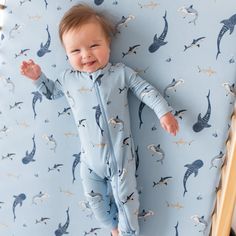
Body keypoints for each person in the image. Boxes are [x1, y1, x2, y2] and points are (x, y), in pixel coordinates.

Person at [20, 4, 179, 236]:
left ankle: (127, 233)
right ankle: (113, 228)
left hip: (120, 157)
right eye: (75, 51)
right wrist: (38, 78)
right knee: (95, 201)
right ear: (66, 54)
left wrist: (163, 111)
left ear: (108, 44)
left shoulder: (120, 73)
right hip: (89, 161)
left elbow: (145, 90)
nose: (86, 55)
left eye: (94, 45)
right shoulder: (68, 79)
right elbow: (52, 93)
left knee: (127, 201)